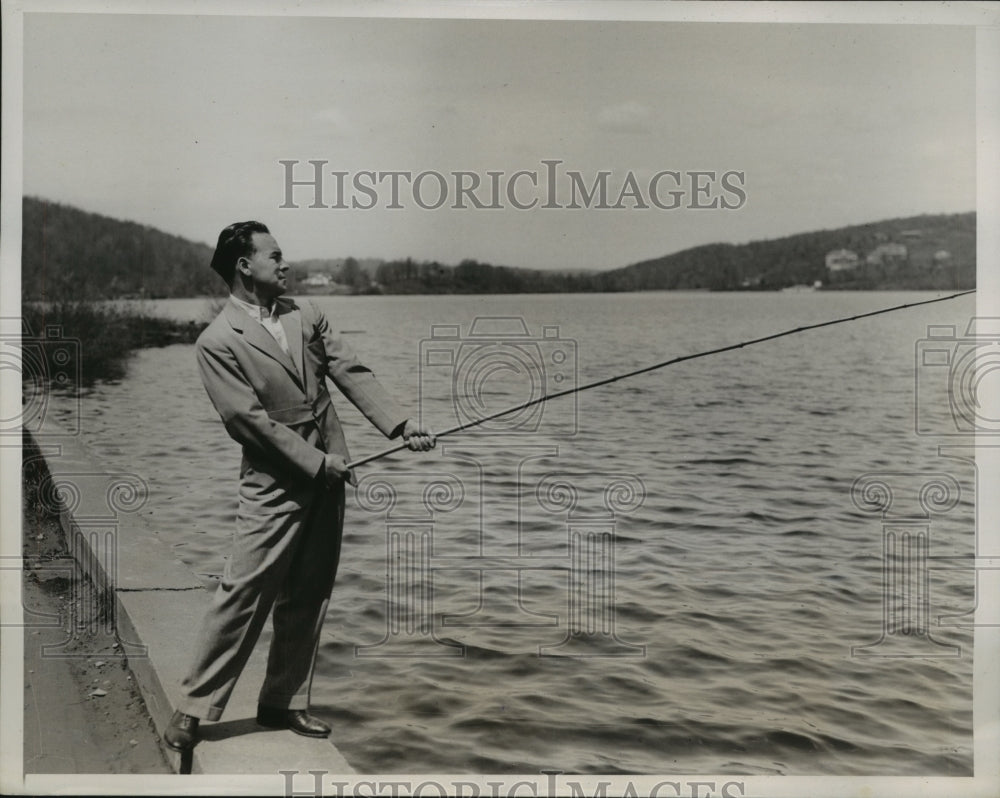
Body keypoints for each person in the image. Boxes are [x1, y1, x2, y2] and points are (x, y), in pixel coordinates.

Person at [164, 221, 434, 751]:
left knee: (310, 592)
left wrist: (401, 424)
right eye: (275, 256)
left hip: (330, 475)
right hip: (274, 482)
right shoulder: (216, 342)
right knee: (243, 592)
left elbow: (350, 369)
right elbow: (247, 423)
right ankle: (193, 708)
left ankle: (282, 703)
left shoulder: (306, 313)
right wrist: (316, 463)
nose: (286, 265)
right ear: (244, 266)